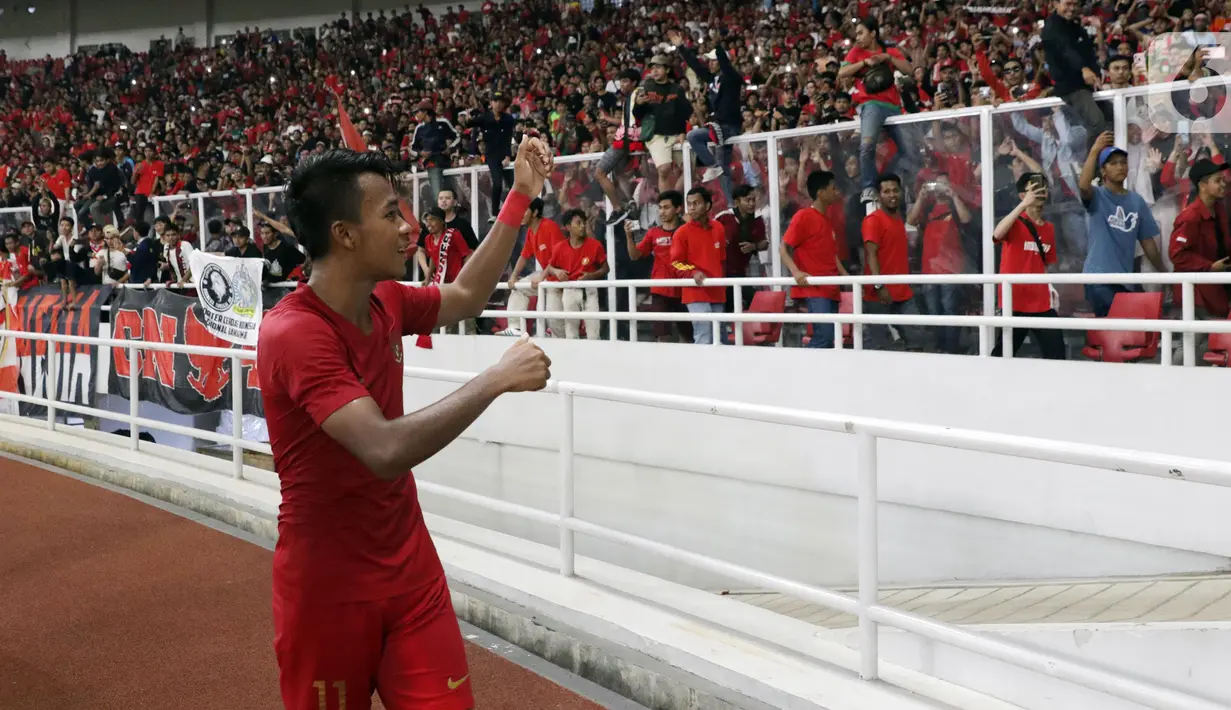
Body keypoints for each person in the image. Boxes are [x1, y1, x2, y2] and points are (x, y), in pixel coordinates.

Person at [258, 136, 552, 710]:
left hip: (411, 574)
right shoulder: (294, 333)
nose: (408, 227)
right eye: (391, 213)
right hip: (327, 593)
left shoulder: (384, 298)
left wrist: (517, 196)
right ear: (344, 235)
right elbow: (384, 449)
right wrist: (494, 379)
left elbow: (467, 294)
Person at [1079, 132, 1166, 317]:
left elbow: (1148, 244)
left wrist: (1165, 273)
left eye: (1123, 162)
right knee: (1115, 330)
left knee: (1122, 336)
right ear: (1103, 171)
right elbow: (1084, 186)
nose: (1120, 166)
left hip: (1125, 280)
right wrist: (1095, 149)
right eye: (1113, 163)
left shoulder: (1137, 201)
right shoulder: (1097, 196)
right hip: (1098, 278)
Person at [991, 173, 1066, 360]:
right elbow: (997, 234)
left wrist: (1050, 288)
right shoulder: (1014, 222)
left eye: (1043, 188)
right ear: (1022, 195)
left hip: (1040, 301)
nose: (1040, 192)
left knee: (1056, 353)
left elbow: (1046, 263)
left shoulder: (1049, 228)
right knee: (1002, 354)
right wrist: (1023, 206)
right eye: (1034, 188)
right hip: (1014, 300)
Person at [781, 170, 848, 349]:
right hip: (815, 290)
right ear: (820, 193)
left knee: (829, 339)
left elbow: (831, 255)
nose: (837, 192)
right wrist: (795, 271)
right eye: (833, 188)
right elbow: (783, 248)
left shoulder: (826, 219)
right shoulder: (803, 216)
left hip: (831, 288)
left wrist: (847, 278)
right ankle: (805, 373)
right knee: (824, 337)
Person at [1169, 159, 1231, 321]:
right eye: (1217, 181)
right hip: (1196, 296)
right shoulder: (1190, 217)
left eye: (1223, 180)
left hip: (1215, 290)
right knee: (1195, 342)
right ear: (1202, 186)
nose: (1223, 184)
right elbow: (1177, 255)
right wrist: (1209, 266)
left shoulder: (1219, 209)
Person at [625, 190, 691, 343]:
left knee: (687, 336)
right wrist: (629, 236)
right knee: (662, 336)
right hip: (660, 290)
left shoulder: (688, 231)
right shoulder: (653, 233)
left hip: (685, 289)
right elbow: (634, 256)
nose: (662, 211)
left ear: (678, 209)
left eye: (666, 207)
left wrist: (690, 224)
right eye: (660, 207)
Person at [862, 174, 917, 349]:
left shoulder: (898, 219)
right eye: (886, 191)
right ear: (878, 196)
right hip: (879, 294)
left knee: (917, 340)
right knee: (879, 347)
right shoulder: (873, 220)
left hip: (902, 291)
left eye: (895, 190)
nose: (892, 195)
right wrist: (879, 286)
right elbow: (871, 254)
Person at [1042, 0, 1108, 141]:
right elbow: (1066, 50)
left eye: (1075, 4)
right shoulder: (1052, 27)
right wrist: (1083, 69)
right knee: (1098, 123)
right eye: (1068, 4)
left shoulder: (1074, 25)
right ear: (1055, 4)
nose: (1072, 9)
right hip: (1072, 88)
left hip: (1089, 85)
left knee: (1112, 116)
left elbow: (1087, 50)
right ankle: (1091, 162)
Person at [670, 186, 727, 344]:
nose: (692, 207)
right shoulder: (681, 233)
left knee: (720, 336)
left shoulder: (719, 228)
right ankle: (701, 368)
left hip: (717, 290)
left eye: (696, 203)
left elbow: (722, 259)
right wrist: (693, 272)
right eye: (689, 204)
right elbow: (675, 263)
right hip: (695, 291)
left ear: (708, 206)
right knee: (704, 334)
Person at [501, 197, 564, 336]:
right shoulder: (531, 231)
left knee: (554, 318)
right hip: (546, 276)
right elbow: (524, 256)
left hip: (560, 277)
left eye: (524, 210)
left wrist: (542, 278)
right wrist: (513, 276)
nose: (520, 214)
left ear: (535, 212)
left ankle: (560, 338)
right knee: (519, 287)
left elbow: (556, 259)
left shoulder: (549, 226)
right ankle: (515, 328)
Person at [544, 208, 609, 340]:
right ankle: (573, 358)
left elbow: (606, 269)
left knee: (593, 331)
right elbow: (550, 267)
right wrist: (557, 271)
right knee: (571, 331)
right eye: (578, 223)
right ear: (568, 227)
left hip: (589, 290)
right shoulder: (559, 247)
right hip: (569, 291)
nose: (583, 226)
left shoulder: (595, 245)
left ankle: (594, 359)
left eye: (584, 222)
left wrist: (591, 276)